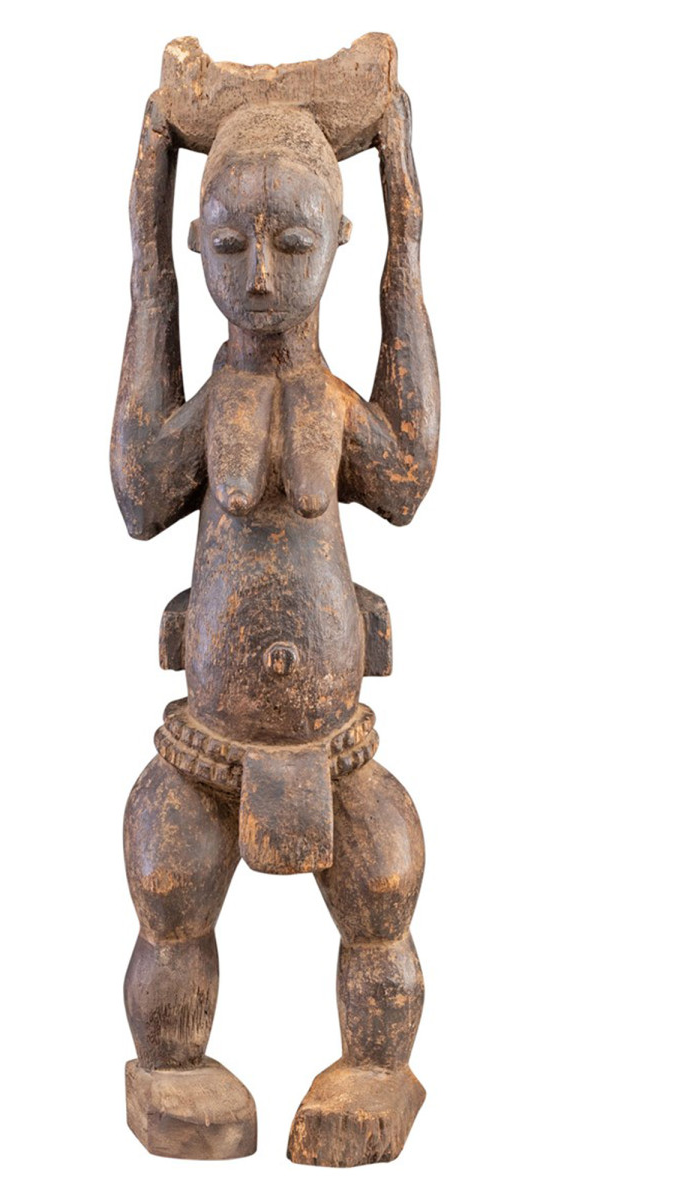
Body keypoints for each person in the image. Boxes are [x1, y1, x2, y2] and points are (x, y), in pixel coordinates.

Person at [111, 87, 440, 1167]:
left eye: (292, 244)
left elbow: (406, 480)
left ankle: (374, 1074)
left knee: (383, 888)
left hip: (335, 748)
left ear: (339, 239)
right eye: (227, 245)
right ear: (194, 244)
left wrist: (408, 252)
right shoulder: (214, 411)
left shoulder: (335, 407)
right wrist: (145, 268)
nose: (259, 276)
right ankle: (173, 1074)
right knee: (169, 889)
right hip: (206, 750)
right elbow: (139, 495)